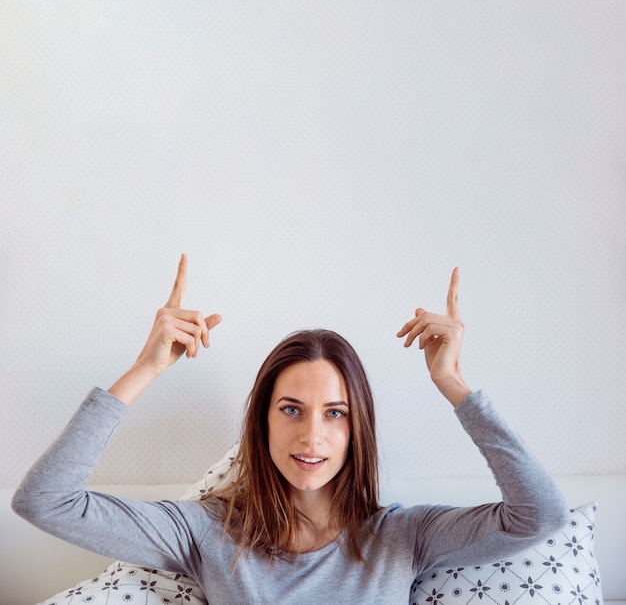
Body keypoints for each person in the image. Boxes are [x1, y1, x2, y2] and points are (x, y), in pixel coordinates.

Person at [13, 255, 569, 604]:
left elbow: (539, 515)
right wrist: (145, 370)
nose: (311, 436)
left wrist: (452, 382)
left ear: (357, 430)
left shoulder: (404, 538)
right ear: (262, 421)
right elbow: (46, 501)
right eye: (290, 409)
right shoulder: (206, 531)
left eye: (335, 413)